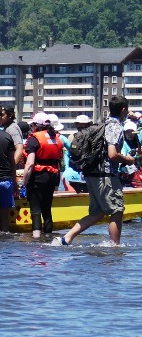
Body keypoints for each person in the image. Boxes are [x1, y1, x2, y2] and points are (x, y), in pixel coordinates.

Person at [57, 95, 135, 246]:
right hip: (105, 176)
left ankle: (66, 238)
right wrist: (129, 159)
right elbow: (112, 154)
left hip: (91, 174)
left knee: (97, 213)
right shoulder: (115, 127)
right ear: (123, 110)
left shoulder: (102, 124)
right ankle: (114, 246)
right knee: (117, 210)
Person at [22, 112, 64, 238]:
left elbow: (29, 164)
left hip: (38, 177)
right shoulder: (56, 138)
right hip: (52, 178)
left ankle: (36, 239)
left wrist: (23, 183)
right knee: (47, 209)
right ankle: (48, 238)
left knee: (35, 210)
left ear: (36, 126)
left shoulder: (34, 139)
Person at [119, 120, 142, 187]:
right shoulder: (122, 143)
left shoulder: (138, 139)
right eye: (127, 132)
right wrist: (136, 154)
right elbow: (123, 158)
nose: (130, 134)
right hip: (126, 173)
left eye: (132, 131)